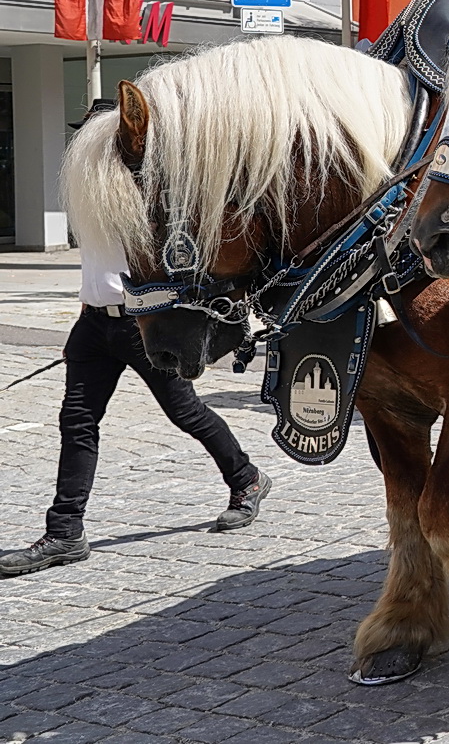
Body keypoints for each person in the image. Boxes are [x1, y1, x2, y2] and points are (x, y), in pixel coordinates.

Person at [0, 101, 271, 578]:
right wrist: (85, 314)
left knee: (185, 412)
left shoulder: (140, 192)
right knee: (77, 421)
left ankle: (246, 479)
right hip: (93, 323)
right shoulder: (87, 192)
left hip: (140, 321)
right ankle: (65, 532)